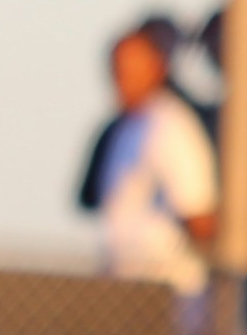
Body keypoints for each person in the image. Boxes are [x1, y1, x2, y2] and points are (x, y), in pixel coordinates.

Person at [84, 16, 221, 305]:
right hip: (128, 294)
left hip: (168, 299)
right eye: (117, 70)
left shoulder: (169, 126)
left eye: (131, 70)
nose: (121, 79)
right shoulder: (124, 128)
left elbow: (200, 215)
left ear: (158, 70)